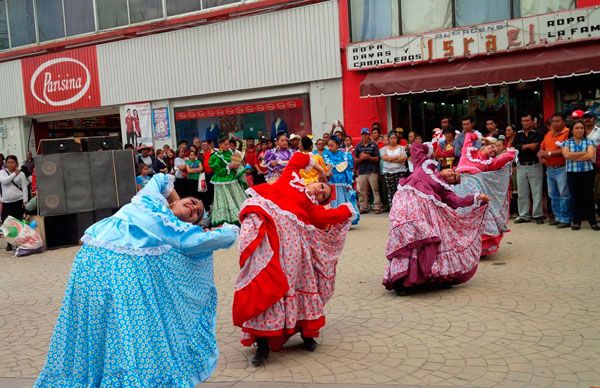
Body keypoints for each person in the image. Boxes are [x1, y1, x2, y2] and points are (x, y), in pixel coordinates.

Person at [35, 173, 239, 387]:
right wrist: (176, 201)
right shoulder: (150, 198)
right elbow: (160, 178)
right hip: (89, 265)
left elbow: (214, 239)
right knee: (90, 325)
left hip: (123, 275)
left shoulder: (178, 233)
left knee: (120, 331)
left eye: (196, 214)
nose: (194, 209)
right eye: (193, 202)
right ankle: (85, 379)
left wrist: (229, 229)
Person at [232, 151, 354, 366]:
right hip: (270, 238)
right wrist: (317, 168)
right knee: (266, 280)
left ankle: (306, 332)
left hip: (294, 250)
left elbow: (328, 216)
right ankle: (262, 343)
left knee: (295, 285)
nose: (319, 191)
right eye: (321, 187)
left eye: (323, 195)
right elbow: (298, 158)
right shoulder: (292, 178)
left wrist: (347, 209)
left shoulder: (311, 209)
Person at [383, 143, 490, 295]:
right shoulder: (425, 165)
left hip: (423, 211)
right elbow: (415, 148)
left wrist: (477, 198)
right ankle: (400, 278)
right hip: (405, 201)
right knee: (404, 235)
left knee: (421, 238)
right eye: (452, 171)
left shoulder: (443, 188)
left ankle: (412, 280)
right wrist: (430, 149)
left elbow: (457, 201)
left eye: (453, 178)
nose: (451, 174)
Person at [453, 132, 517, 256]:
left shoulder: (490, 163)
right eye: (490, 146)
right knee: (459, 215)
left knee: (475, 216)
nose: (492, 149)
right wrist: (482, 138)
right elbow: (468, 136)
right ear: (483, 146)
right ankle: (460, 246)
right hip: (458, 186)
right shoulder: (468, 152)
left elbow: (508, 156)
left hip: (475, 189)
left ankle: (478, 248)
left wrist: (510, 150)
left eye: (494, 150)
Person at [562, 120, 599, 231]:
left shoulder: (589, 141)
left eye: (581, 128)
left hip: (587, 173)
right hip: (572, 174)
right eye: (577, 128)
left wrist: (574, 156)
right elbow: (567, 155)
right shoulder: (566, 142)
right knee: (575, 197)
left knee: (588, 197)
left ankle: (592, 222)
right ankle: (576, 221)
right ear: (572, 130)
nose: (579, 130)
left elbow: (590, 155)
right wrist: (584, 153)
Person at [539, 113, 571, 228]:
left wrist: (547, 154)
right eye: (553, 121)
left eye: (558, 121)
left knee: (564, 194)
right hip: (550, 169)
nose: (555, 123)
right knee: (553, 195)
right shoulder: (548, 134)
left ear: (563, 122)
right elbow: (541, 148)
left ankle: (566, 219)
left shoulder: (567, 133)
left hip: (562, 168)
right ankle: (558, 217)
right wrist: (541, 157)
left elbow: (564, 150)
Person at [513, 112, 544, 224]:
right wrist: (528, 146)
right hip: (521, 165)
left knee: (536, 191)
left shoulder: (538, 133)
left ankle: (538, 214)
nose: (525, 123)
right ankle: (524, 215)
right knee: (522, 192)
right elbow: (515, 147)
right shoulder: (518, 134)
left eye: (527, 120)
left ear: (532, 121)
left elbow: (537, 147)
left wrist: (523, 147)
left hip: (534, 165)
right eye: (523, 121)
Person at [208, 137, 247, 226]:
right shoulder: (216, 156)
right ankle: (225, 218)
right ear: (220, 145)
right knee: (224, 199)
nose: (228, 146)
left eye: (228, 144)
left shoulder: (231, 152)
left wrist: (236, 166)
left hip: (233, 179)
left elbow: (238, 164)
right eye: (225, 144)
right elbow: (218, 171)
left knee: (236, 197)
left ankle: (239, 215)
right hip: (222, 182)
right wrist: (229, 167)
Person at [323, 135, 360, 225]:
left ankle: (345, 220)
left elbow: (348, 170)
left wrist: (348, 182)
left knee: (344, 200)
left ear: (337, 145)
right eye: (329, 145)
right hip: (331, 182)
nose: (330, 147)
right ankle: (334, 220)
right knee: (333, 201)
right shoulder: (326, 155)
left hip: (343, 183)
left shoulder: (345, 156)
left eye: (332, 145)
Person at [0, 156, 29, 252]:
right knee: (6, 223)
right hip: (6, 202)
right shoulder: (2, 173)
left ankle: (17, 242)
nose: (11, 164)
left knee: (18, 222)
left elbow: (24, 188)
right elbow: (5, 182)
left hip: (18, 201)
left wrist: (25, 201)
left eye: (13, 162)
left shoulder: (21, 174)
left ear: (16, 163)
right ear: (6, 163)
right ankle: (9, 243)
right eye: (9, 162)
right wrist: (14, 173)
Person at [355, 128, 382, 214]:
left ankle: (377, 206)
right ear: (361, 135)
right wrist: (361, 158)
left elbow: (377, 158)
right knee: (362, 190)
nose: (365, 135)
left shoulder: (374, 145)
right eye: (363, 134)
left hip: (372, 170)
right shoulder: (358, 146)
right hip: (362, 171)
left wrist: (368, 157)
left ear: (369, 134)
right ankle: (363, 207)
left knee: (375, 189)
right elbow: (355, 159)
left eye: (366, 134)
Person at [380, 131, 408, 207]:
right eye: (391, 138)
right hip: (388, 172)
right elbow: (384, 158)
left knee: (400, 189)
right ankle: (393, 207)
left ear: (397, 139)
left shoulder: (402, 148)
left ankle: (401, 207)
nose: (393, 139)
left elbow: (403, 159)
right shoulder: (383, 149)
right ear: (388, 139)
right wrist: (396, 157)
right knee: (391, 189)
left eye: (394, 138)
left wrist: (390, 159)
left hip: (400, 171)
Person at [200, 141, 215, 210]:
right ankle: (207, 206)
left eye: (205, 145)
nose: (204, 146)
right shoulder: (200, 154)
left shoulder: (214, 153)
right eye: (203, 145)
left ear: (209, 145)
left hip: (213, 174)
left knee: (213, 189)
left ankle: (214, 204)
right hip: (204, 174)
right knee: (205, 190)